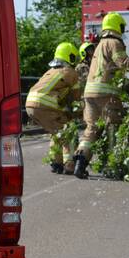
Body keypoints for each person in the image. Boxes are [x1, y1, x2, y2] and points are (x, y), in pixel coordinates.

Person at [73, 13, 129, 179]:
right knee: (113, 128)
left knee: (91, 129)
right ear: (117, 26)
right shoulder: (115, 43)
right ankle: (112, 165)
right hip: (106, 94)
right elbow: (123, 64)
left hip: (90, 94)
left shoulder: (99, 45)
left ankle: (81, 160)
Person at [25, 42, 82, 174]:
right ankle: (69, 164)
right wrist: (78, 113)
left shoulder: (50, 71)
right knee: (69, 131)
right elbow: (76, 98)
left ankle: (56, 163)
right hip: (45, 105)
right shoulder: (70, 72)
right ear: (70, 57)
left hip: (30, 105)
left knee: (57, 132)